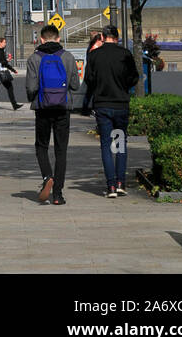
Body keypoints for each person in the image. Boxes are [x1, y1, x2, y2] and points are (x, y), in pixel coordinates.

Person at [26, 23, 80, 206]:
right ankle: (57, 194)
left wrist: (33, 99)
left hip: (42, 108)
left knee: (41, 146)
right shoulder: (68, 57)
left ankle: (47, 176)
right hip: (63, 108)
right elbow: (75, 86)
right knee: (61, 150)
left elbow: (31, 87)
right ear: (58, 38)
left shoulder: (34, 58)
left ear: (41, 39)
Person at [84, 25, 140, 197]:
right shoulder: (125, 54)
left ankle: (111, 186)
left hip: (102, 105)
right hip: (121, 104)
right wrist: (123, 86)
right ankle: (121, 182)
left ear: (102, 36)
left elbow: (89, 80)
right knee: (120, 144)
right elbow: (134, 78)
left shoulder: (94, 55)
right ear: (117, 37)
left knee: (106, 146)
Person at [0, 37, 22, 110]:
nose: (5, 43)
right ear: (0, 43)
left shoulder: (1, 51)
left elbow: (4, 63)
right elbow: (0, 63)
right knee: (4, 88)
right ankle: (14, 105)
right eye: (4, 42)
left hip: (0, 73)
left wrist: (13, 70)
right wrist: (7, 60)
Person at [79, 31, 104, 115]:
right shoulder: (95, 48)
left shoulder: (90, 47)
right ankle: (91, 109)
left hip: (89, 74)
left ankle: (85, 109)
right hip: (93, 74)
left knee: (89, 93)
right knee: (93, 93)